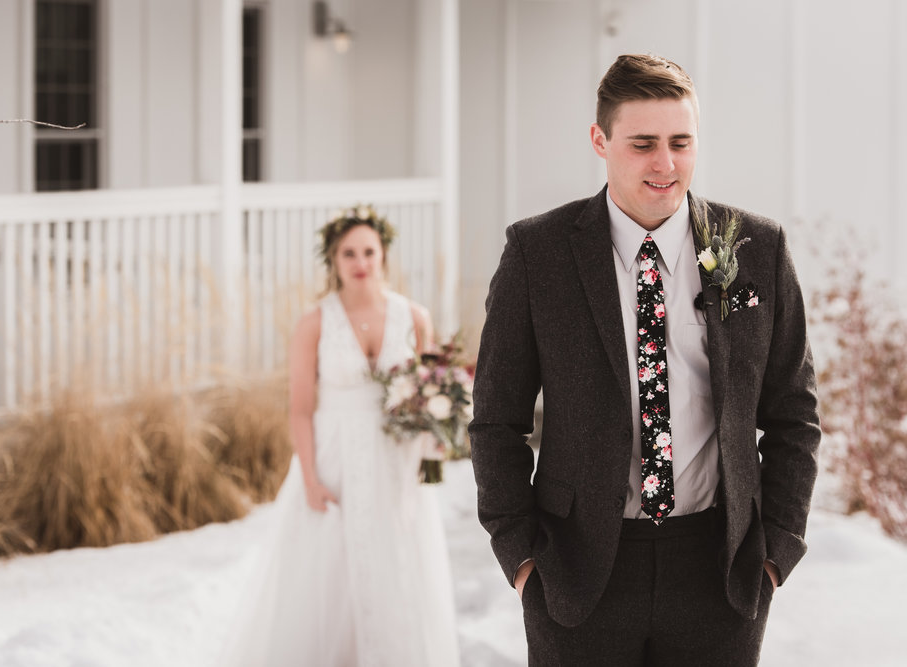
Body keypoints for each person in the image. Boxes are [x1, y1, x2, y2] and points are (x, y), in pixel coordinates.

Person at [469, 53, 820, 665]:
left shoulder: (756, 249)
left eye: (681, 143)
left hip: (720, 571)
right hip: (577, 571)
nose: (665, 164)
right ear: (600, 141)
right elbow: (496, 418)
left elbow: (794, 413)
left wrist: (775, 551)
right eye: (643, 144)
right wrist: (522, 554)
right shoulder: (537, 253)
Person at [219, 206, 461, 666]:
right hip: (333, 458)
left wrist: (434, 443)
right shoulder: (314, 322)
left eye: (368, 251)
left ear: (383, 255)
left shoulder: (414, 317)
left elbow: (432, 394)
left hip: (396, 461)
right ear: (333, 260)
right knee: (329, 574)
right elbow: (301, 408)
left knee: (397, 565)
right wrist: (309, 476)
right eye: (348, 253)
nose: (360, 262)